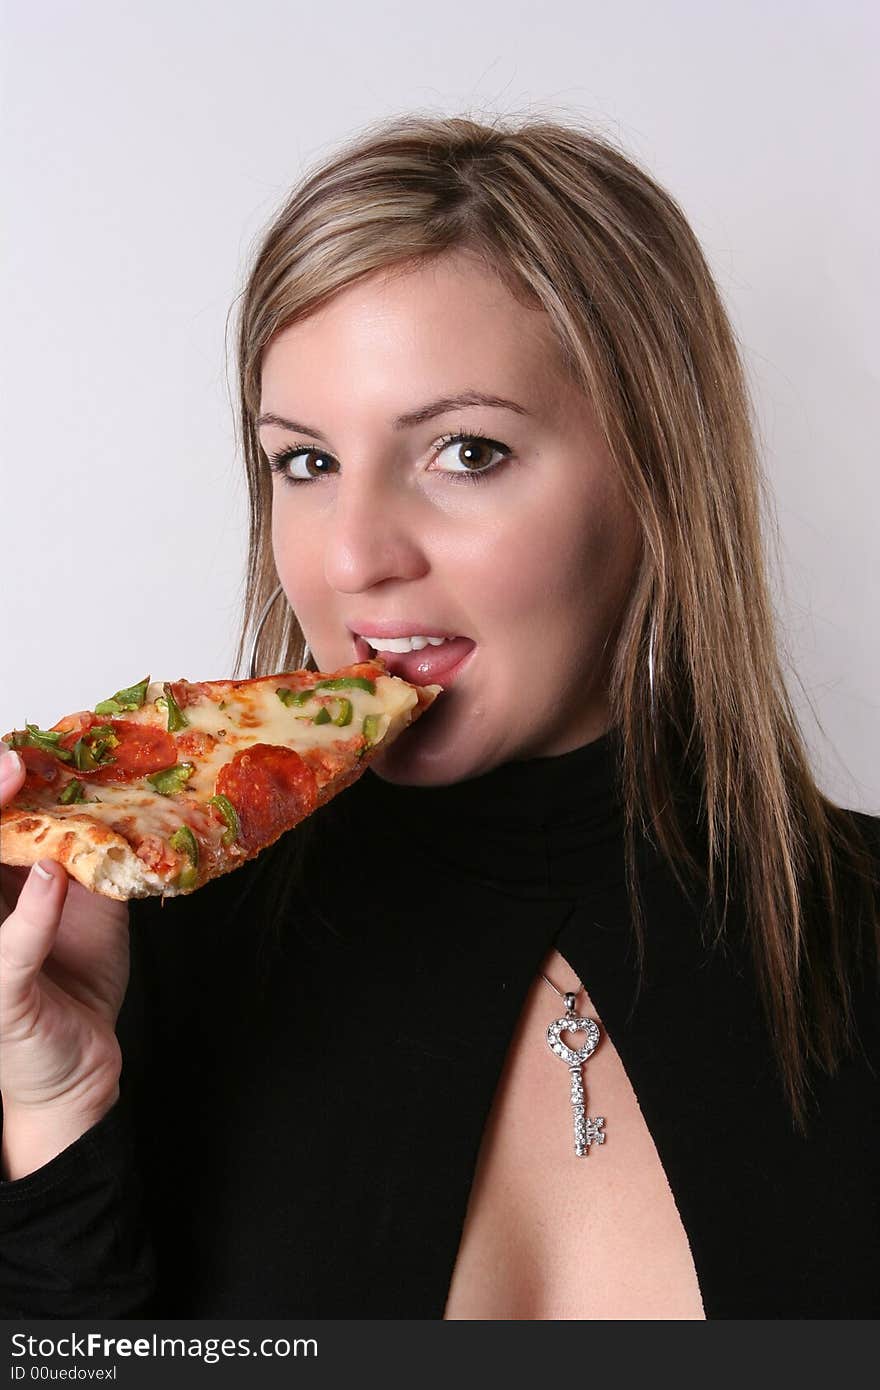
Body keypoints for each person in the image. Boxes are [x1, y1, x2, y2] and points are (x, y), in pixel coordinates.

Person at [1, 112, 878, 1321]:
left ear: (656, 474)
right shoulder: (118, 963)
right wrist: (56, 1120)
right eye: (304, 463)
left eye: (465, 451)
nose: (353, 556)